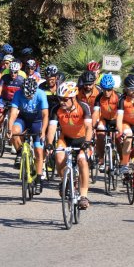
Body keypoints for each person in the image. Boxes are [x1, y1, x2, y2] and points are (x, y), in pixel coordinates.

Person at [45, 81, 93, 209]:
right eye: (60, 99)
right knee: (59, 156)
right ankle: (64, 181)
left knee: (82, 160)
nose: (62, 102)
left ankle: (83, 195)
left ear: (73, 98)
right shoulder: (56, 109)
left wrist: (87, 143)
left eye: (65, 100)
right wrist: (49, 144)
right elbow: (52, 128)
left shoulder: (83, 107)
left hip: (83, 140)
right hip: (65, 138)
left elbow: (89, 127)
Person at [7, 77, 49, 193]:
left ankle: (39, 179)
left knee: (39, 152)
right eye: (26, 95)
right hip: (23, 119)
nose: (28, 97)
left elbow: (45, 115)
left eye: (31, 95)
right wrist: (10, 129)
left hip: (37, 121)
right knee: (15, 131)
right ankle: (20, 152)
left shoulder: (41, 94)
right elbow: (14, 113)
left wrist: (44, 130)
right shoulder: (18, 94)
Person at [92, 74, 120, 171]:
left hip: (116, 119)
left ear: (112, 88)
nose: (106, 92)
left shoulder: (118, 97)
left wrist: (119, 128)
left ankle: (121, 160)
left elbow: (122, 114)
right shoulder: (99, 97)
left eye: (109, 89)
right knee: (99, 132)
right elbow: (95, 113)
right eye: (104, 89)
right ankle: (101, 159)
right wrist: (92, 126)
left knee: (118, 137)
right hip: (104, 120)